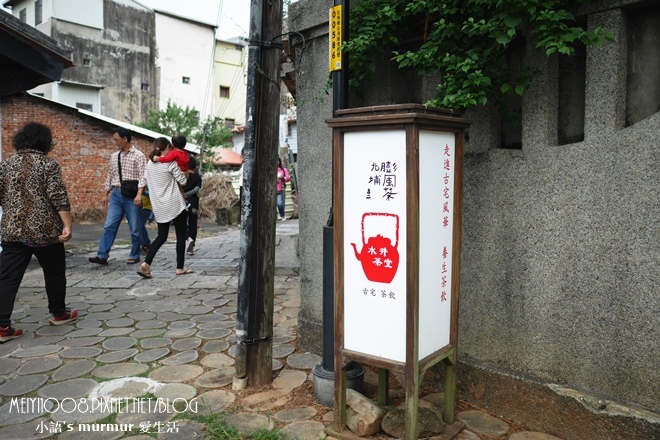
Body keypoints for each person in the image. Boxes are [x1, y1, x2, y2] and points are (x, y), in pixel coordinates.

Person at [0, 122, 78, 342]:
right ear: (45, 142)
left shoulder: (6, 166)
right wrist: (67, 225)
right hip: (45, 232)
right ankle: (58, 313)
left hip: (13, 230)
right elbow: (58, 196)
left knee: (7, 278)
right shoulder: (48, 165)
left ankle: (2, 326)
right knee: (54, 273)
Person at [89, 127, 146, 265]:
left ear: (125, 139)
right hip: (116, 194)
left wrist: (139, 195)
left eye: (117, 139)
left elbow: (143, 177)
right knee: (109, 225)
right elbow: (110, 175)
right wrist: (106, 193)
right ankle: (102, 255)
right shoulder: (114, 156)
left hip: (132, 195)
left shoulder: (139, 156)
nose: (115, 142)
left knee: (135, 227)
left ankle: (134, 254)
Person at [137, 137, 192, 278]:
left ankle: (146, 264)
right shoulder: (171, 164)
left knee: (161, 236)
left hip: (160, 206)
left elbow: (143, 180)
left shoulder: (150, 164)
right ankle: (180, 267)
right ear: (168, 147)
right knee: (180, 235)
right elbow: (183, 181)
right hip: (175, 204)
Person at [184, 155, 202, 255]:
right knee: (193, 223)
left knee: (181, 223)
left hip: (183, 202)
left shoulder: (183, 175)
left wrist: (184, 195)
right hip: (194, 203)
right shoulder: (197, 177)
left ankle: (188, 237)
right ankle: (191, 247)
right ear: (195, 167)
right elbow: (196, 189)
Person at [276, 157, 290, 221]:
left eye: (277, 161)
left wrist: (282, 178)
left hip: (280, 189)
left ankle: (282, 215)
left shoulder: (283, 170)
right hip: (272, 190)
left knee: (280, 203)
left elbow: (288, 178)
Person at [139, 190, 152, 255]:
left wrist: (143, 192)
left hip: (147, 208)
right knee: (139, 226)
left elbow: (152, 194)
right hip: (138, 206)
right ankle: (143, 244)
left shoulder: (147, 183)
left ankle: (146, 244)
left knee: (140, 225)